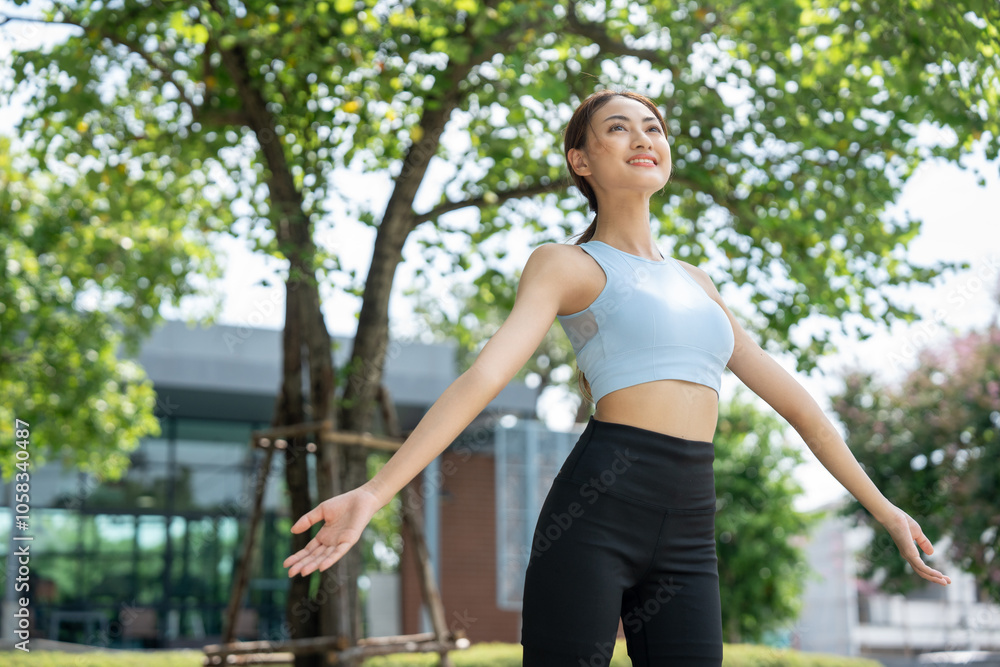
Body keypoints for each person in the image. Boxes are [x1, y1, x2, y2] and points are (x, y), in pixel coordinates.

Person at [283, 89, 951, 666]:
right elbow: (484, 375)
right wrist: (373, 494)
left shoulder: (700, 283)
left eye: (653, 128)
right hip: (597, 512)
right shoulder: (566, 265)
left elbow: (802, 410)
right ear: (582, 160)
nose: (643, 138)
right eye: (619, 128)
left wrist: (885, 509)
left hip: (690, 521)